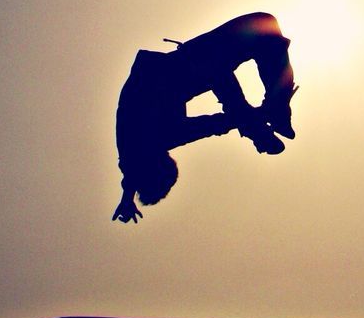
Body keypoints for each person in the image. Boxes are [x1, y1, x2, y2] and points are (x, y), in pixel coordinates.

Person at [113, 12, 297, 224]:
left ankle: (264, 119)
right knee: (264, 27)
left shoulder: (137, 146)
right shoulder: (167, 138)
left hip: (190, 64)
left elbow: (132, 172)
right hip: (200, 65)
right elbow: (215, 124)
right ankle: (268, 114)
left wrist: (127, 199)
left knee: (263, 27)